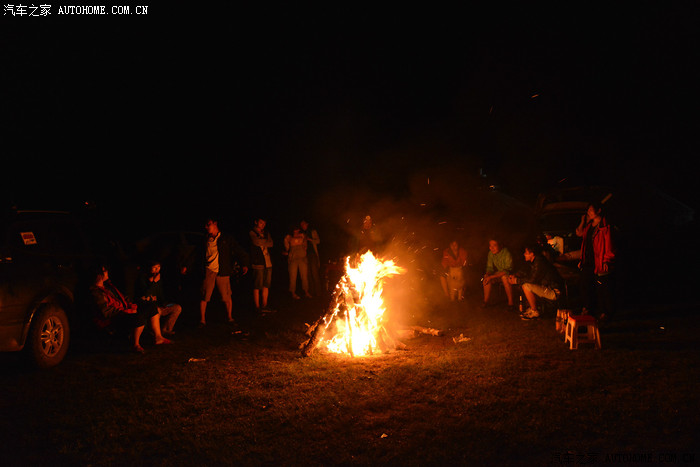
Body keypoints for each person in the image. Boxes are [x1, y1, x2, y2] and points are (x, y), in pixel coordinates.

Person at [89, 263, 172, 354]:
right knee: (138, 317)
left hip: (124, 312)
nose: (107, 272)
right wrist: (128, 311)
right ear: (98, 275)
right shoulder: (96, 293)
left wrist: (131, 305)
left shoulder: (108, 286)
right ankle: (135, 345)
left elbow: (123, 298)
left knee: (151, 307)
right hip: (114, 319)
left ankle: (158, 337)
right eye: (104, 271)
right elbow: (106, 312)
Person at [199, 217, 249, 327]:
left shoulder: (226, 238)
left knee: (226, 296)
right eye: (206, 225)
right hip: (209, 270)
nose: (206, 227)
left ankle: (230, 318)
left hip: (223, 270)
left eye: (209, 224)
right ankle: (202, 320)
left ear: (215, 224)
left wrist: (244, 263)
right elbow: (198, 253)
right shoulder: (205, 239)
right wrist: (186, 265)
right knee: (205, 295)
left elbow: (238, 249)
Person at [575, 201, 616, 321]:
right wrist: (583, 221)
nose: (589, 212)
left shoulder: (605, 226)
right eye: (588, 210)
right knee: (585, 285)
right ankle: (588, 308)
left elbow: (609, 244)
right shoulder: (589, 226)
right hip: (588, 261)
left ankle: (605, 312)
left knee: (602, 288)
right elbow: (580, 234)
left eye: (591, 210)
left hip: (600, 260)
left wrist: (607, 259)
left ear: (598, 211)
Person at [509, 245, 564, 320]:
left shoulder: (540, 262)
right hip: (548, 288)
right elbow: (527, 273)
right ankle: (532, 308)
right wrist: (516, 275)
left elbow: (532, 279)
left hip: (554, 291)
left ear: (532, 254)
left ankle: (534, 311)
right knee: (525, 285)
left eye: (526, 253)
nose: (524, 254)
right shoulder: (535, 261)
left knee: (526, 286)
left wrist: (516, 280)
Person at [135, 260, 182, 335]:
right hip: (147, 307)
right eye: (154, 267)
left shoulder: (158, 279)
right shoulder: (142, 278)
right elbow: (146, 294)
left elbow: (160, 294)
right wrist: (154, 282)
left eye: (158, 267)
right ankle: (154, 332)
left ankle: (166, 329)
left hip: (158, 305)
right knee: (156, 311)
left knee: (177, 308)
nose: (157, 269)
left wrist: (164, 303)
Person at [482, 238, 515, 309]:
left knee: (504, 277)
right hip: (500, 273)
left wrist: (491, 277)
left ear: (500, 245)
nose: (492, 248)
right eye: (490, 246)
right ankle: (485, 302)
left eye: (494, 245)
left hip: (510, 274)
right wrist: (487, 274)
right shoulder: (490, 253)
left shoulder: (506, 253)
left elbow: (507, 271)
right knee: (486, 277)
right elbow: (489, 267)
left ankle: (511, 303)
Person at [249, 218, 274, 312]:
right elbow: (256, 242)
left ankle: (264, 305)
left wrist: (263, 241)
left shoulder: (266, 233)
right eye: (261, 223)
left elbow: (271, 243)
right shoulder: (252, 232)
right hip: (258, 262)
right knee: (257, 285)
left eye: (264, 223)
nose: (263, 225)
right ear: (256, 222)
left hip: (268, 262)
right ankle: (257, 307)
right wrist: (265, 241)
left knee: (266, 285)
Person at [283, 225, 311, 299]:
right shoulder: (288, 237)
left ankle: (306, 292)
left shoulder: (302, 235)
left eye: (297, 229)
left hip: (302, 257)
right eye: (295, 229)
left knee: (304, 276)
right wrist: (287, 252)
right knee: (292, 276)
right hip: (293, 258)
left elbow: (305, 245)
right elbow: (287, 247)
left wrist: (304, 250)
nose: (296, 231)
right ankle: (293, 293)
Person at [300, 220, 322, 296]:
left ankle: (318, 292)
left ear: (307, 224)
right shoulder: (302, 234)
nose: (302, 226)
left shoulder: (312, 231)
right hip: (305, 256)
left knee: (315, 273)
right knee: (308, 274)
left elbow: (318, 241)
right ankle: (311, 292)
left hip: (312, 254)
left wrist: (310, 239)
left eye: (303, 224)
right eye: (301, 225)